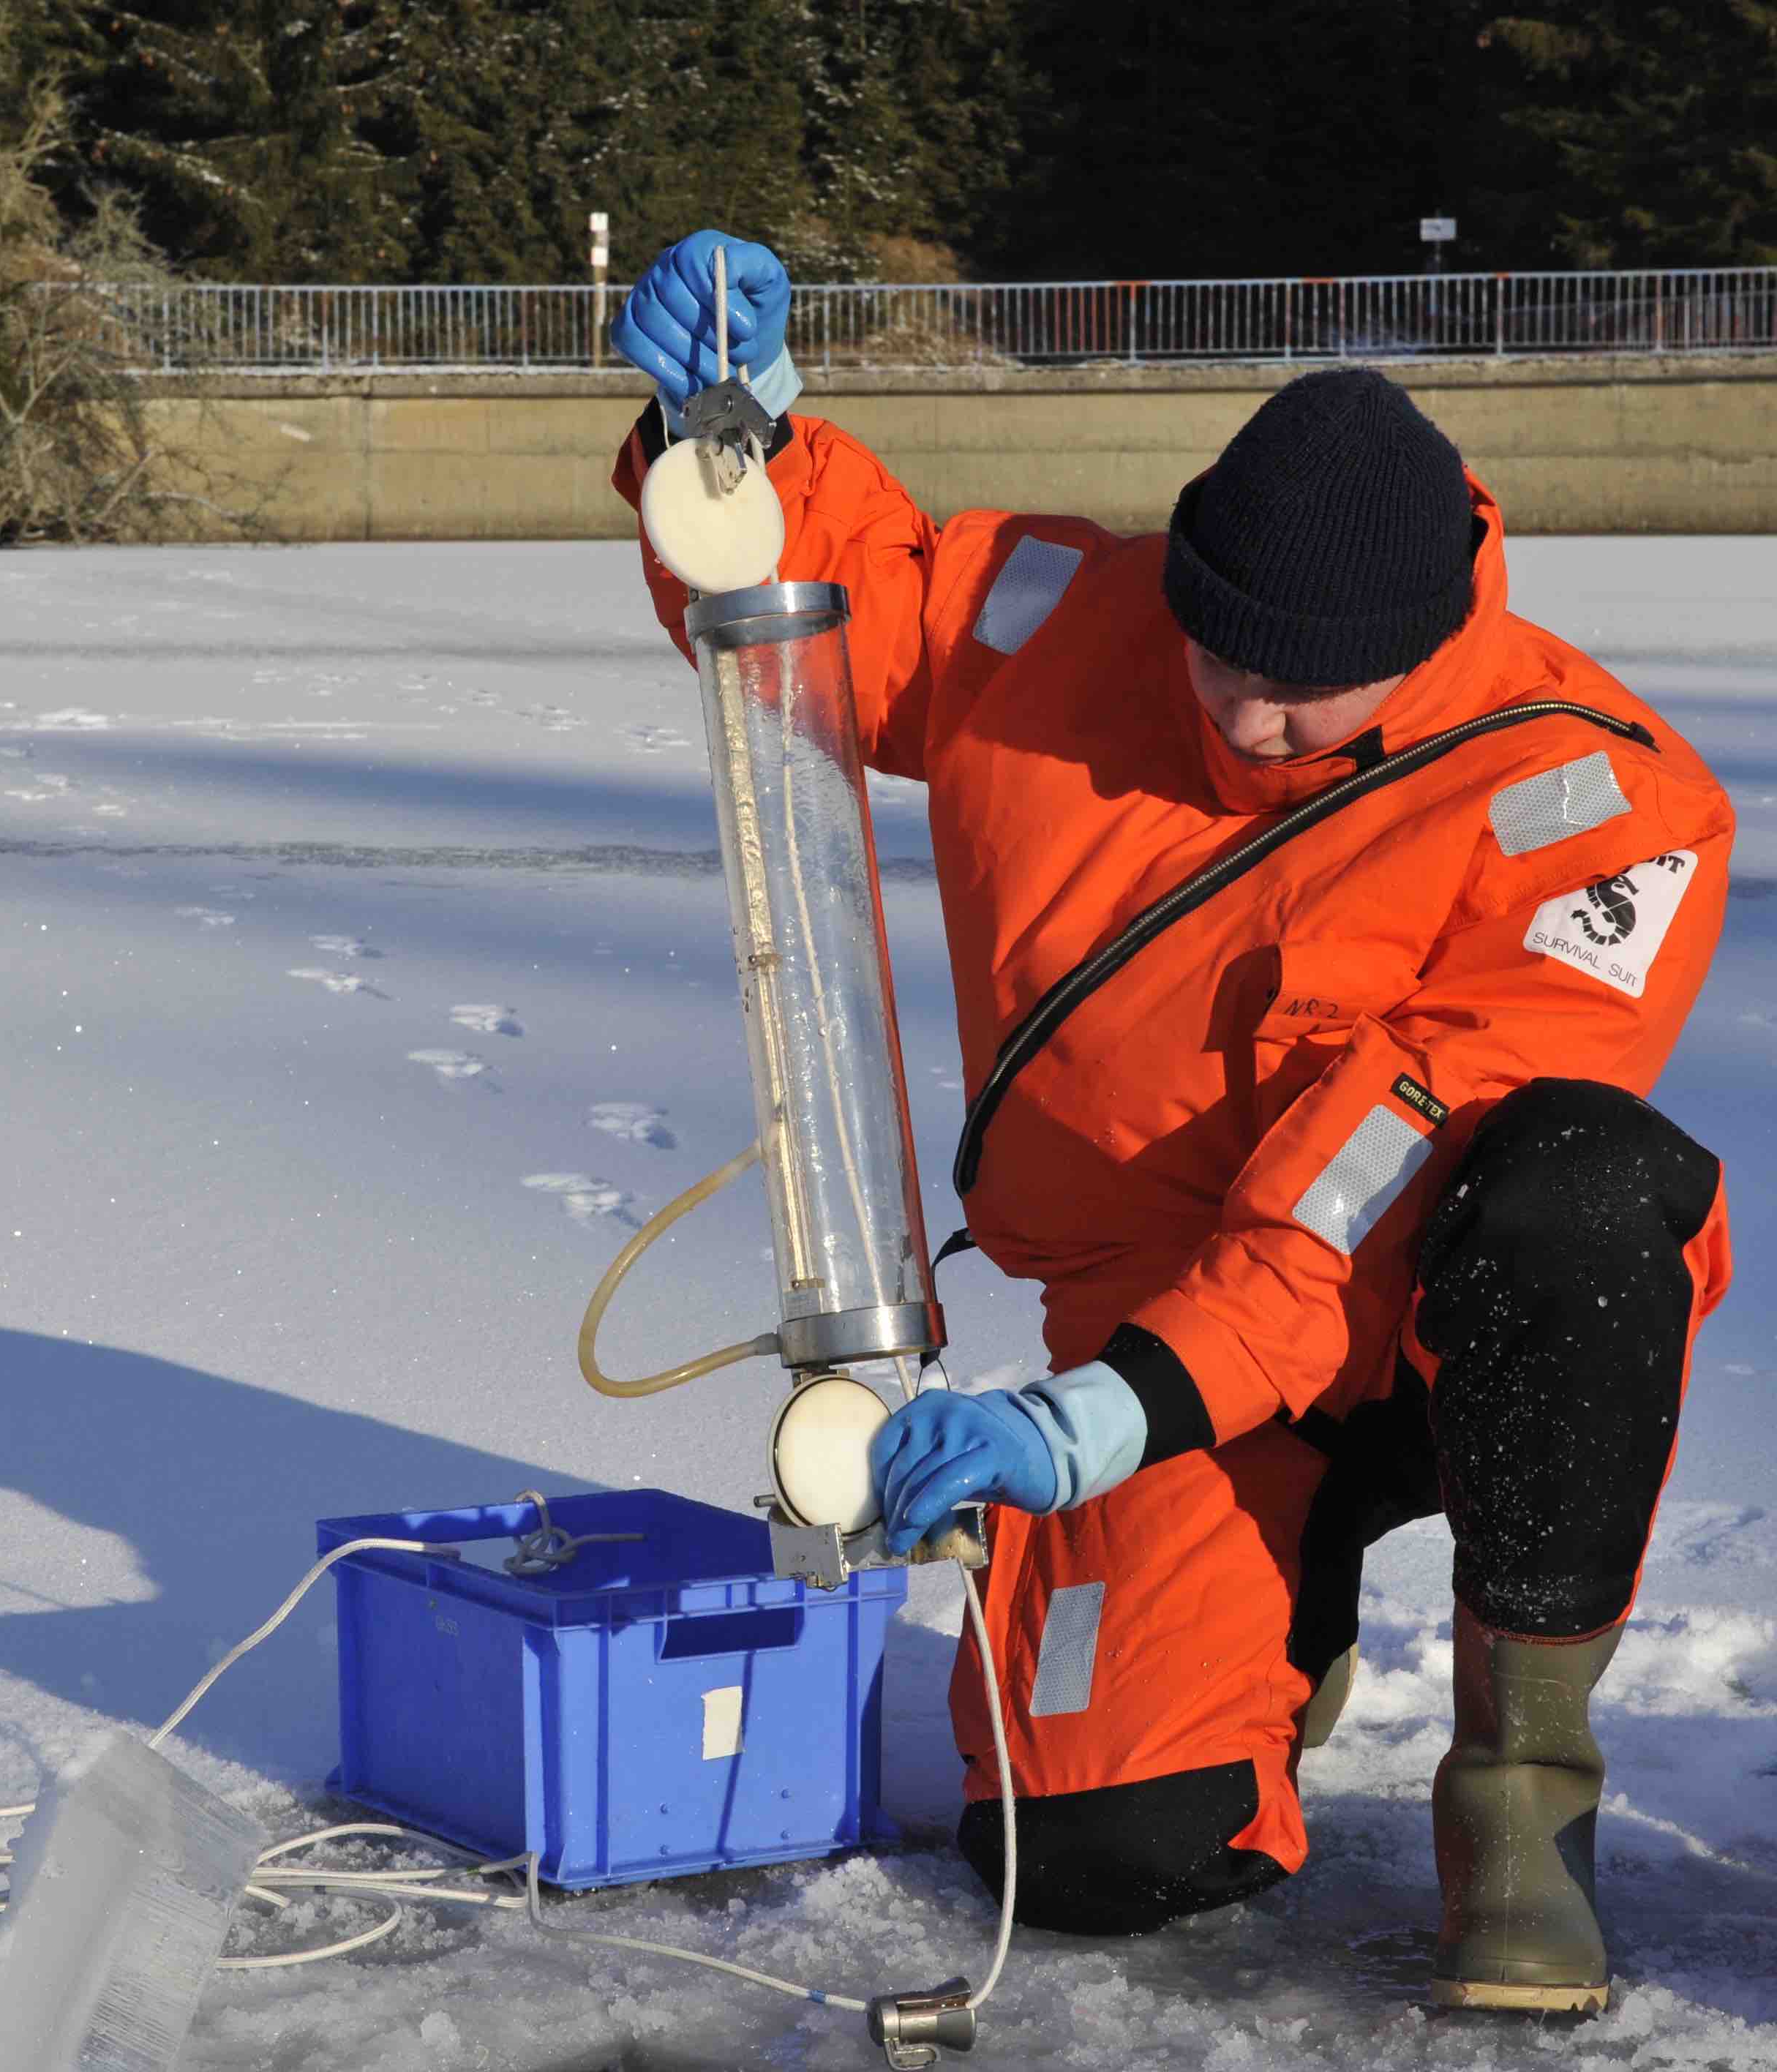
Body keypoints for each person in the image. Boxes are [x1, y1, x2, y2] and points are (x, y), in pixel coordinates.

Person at [609, 230, 1733, 2013]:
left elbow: (1380, 1166)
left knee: (1588, 1200)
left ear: (1431, 646)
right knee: (1097, 1858)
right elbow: (826, 603)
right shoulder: (1070, 613)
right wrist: (722, 432)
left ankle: (1525, 1795)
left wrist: (1100, 1423)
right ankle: (1266, 1625)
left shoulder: (1606, 810)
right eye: (1219, 654)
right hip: (1145, 1335)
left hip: (1414, 1320)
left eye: (1306, 689)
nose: (1247, 710)